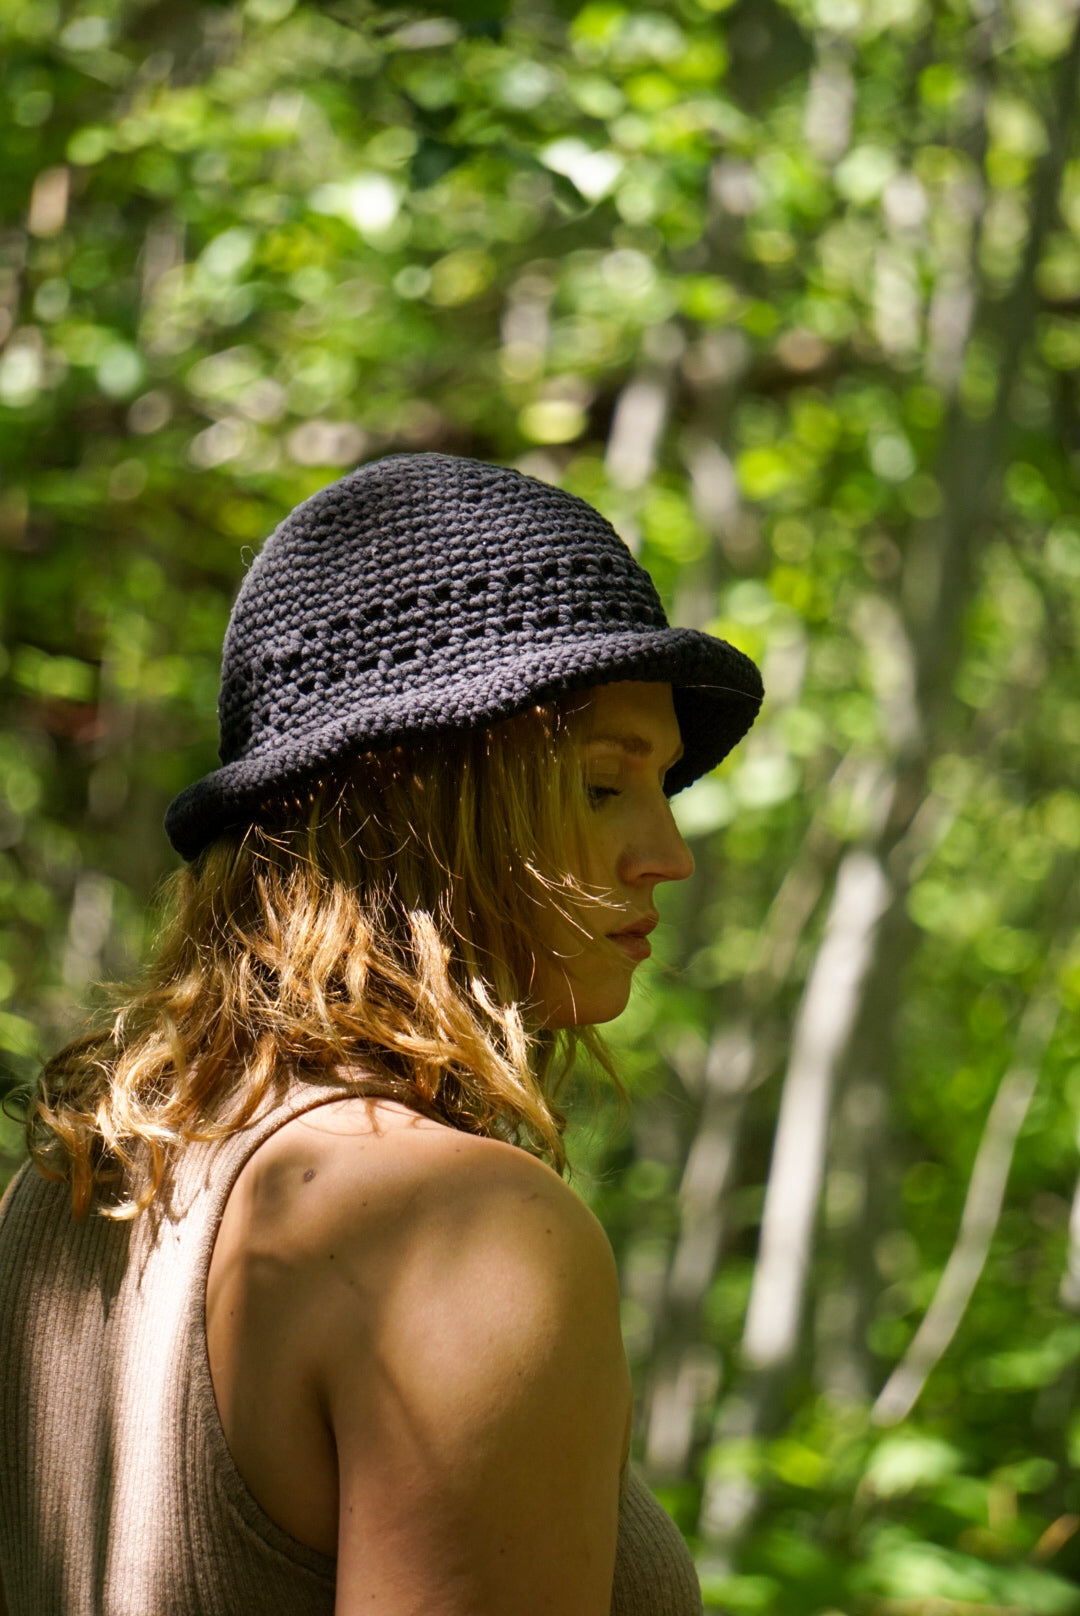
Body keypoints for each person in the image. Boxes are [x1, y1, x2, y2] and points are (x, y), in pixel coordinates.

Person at [0, 452, 763, 1615]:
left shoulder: (72, 1192)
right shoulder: (464, 1231)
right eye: (607, 785)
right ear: (422, 794)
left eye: (663, 786)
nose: (669, 851)